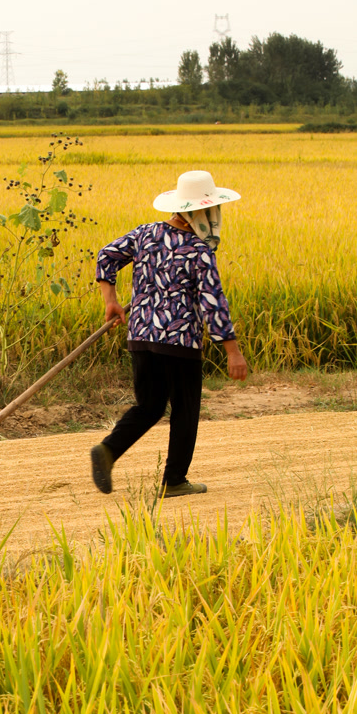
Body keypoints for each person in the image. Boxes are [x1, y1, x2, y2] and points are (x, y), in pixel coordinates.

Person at [90, 169, 248, 498]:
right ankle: (174, 480)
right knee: (185, 409)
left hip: (141, 337)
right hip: (179, 343)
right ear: (202, 213)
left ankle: (108, 449)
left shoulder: (145, 234)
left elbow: (106, 256)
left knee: (149, 405)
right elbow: (212, 303)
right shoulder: (199, 250)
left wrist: (111, 302)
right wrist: (233, 352)